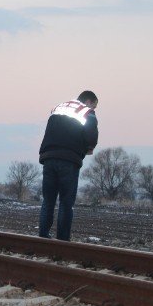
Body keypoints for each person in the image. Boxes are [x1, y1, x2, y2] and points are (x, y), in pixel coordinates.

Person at [38, 90, 99, 241]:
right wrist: (87, 149)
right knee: (66, 202)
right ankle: (62, 241)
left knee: (48, 200)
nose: (94, 108)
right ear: (89, 101)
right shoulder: (87, 111)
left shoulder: (58, 107)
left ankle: (42, 237)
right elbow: (91, 136)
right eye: (95, 105)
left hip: (49, 158)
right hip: (69, 160)